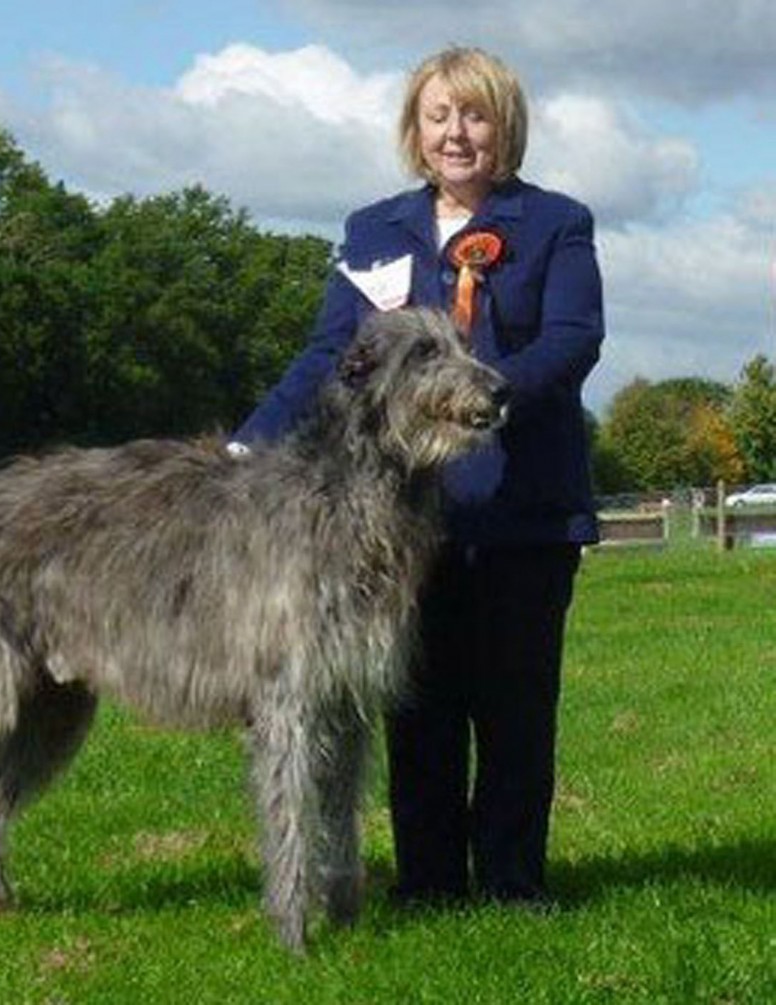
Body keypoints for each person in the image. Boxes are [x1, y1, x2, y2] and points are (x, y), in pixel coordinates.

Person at [230, 46, 604, 906]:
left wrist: (484, 396)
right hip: (399, 520)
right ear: (416, 129)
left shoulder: (555, 222)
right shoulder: (375, 228)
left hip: (522, 507)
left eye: (473, 115)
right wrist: (250, 444)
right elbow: (335, 353)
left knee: (514, 711)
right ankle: (430, 881)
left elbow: (574, 337)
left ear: (502, 124)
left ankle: (511, 881)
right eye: (439, 116)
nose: (455, 134)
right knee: (418, 708)